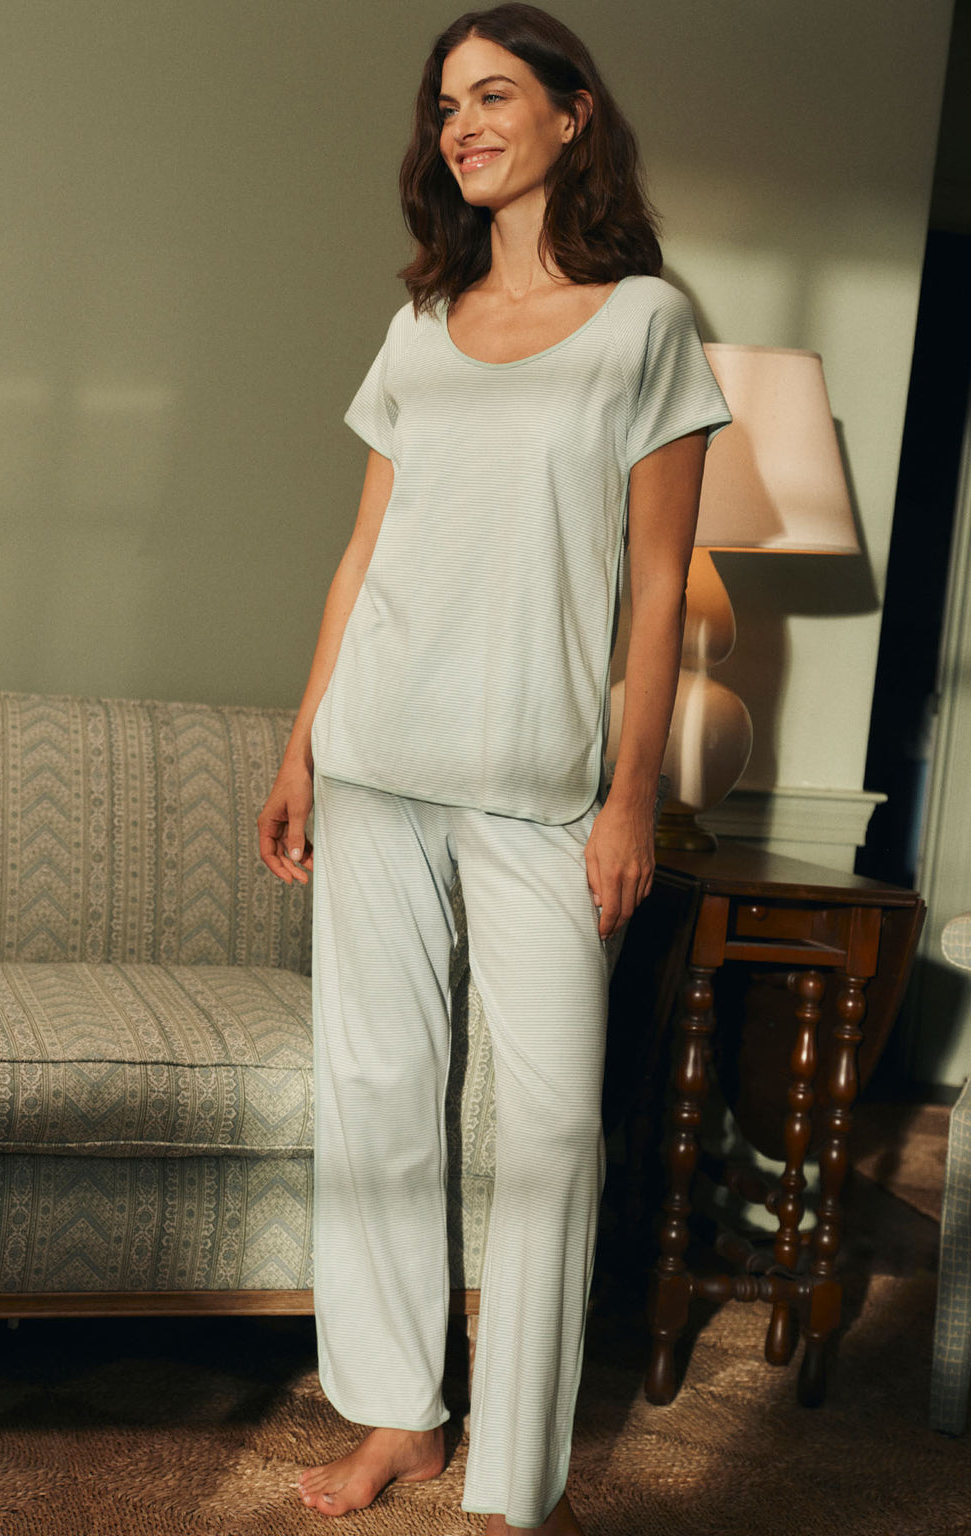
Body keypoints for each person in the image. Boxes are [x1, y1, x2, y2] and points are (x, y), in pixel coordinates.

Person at [257, 5, 730, 1531]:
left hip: (537, 786)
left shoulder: (648, 322)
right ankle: (399, 1413)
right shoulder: (418, 327)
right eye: (446, 102)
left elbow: (658, 589)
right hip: (378, 755)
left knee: (552, 1132)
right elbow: (362, 549)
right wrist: (301, 741)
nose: (463, 122)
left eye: (496, 93)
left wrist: (630, 796)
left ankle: (512, 1483)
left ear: (573, 115)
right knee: (381, 1090)